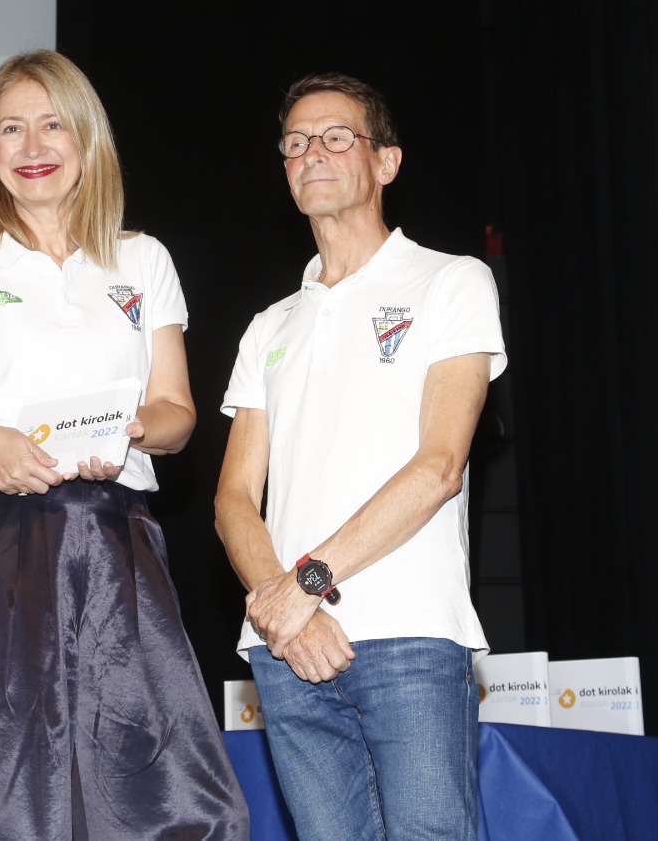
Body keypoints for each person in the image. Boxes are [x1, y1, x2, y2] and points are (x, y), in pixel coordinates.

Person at [0, 51, 249, 840]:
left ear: (86, 139)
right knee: (6, 790)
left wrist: (132, 429)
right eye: (10, 129)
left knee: (154, 780)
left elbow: (177, 412)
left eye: (52, 124)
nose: (32, 145)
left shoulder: (142, 258)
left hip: (112, 531)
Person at [214, 73, 506, 841]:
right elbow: (233, 498)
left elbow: (439, 466)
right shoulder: (269, 325)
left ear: (386, 161)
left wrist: (307, 583)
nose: (312, 152)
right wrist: (283, 611)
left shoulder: (451, 281)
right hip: (287, 649)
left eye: (336, 136)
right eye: (295, 143)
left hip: (409, 633)